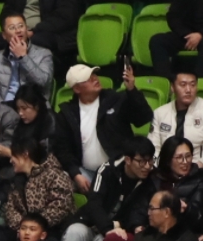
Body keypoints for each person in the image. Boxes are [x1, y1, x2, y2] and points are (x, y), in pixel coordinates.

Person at [52, 62, 155, 195]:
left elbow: (144, 117)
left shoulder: (115, 99)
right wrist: (76, 174)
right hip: (85, 173)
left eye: (94, 75)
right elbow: (63, 149)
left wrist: (132, 90)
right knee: (58, 181)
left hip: (117, 172)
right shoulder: (67, 114)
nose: (95, 79)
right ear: (77, 89)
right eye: (88, 79)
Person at [79, 136, 160, 241]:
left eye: (150, 161)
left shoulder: (152, 179)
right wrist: (108, 228)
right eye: (142, 162)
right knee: (74, 232)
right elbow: (94, 202)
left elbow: (140, 211)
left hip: (122, 228)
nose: (147, 166)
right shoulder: (107, 170)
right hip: (92, 223)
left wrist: (134, 226)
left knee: (105, 240)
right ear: (128, 160)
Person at [149, 69, 203, 167]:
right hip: (166, 170)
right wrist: (158, 168)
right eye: (183, 85)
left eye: (192, 85)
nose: (188, 90)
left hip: (198, 169)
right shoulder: (160, 113)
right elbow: (153, 147)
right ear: (172, 87)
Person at [4, 139, 76, 241]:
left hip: (53, 231)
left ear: (25, 154)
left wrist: (35, 226)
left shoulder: (54, 175)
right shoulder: (17, 181)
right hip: (23, 232)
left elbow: (60, 206)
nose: (10, 160)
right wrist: (24, 227)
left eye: (13, 155)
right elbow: (10, 208)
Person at [0, 13, 55, 105]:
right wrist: (2, 107)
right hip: (4, 107)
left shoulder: (44, 54)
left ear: (26, 29)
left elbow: (43, 83)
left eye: (21, 26)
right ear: (4, 35)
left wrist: (23, 57)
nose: (18, 30)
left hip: (33, 107)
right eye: (12, 28)